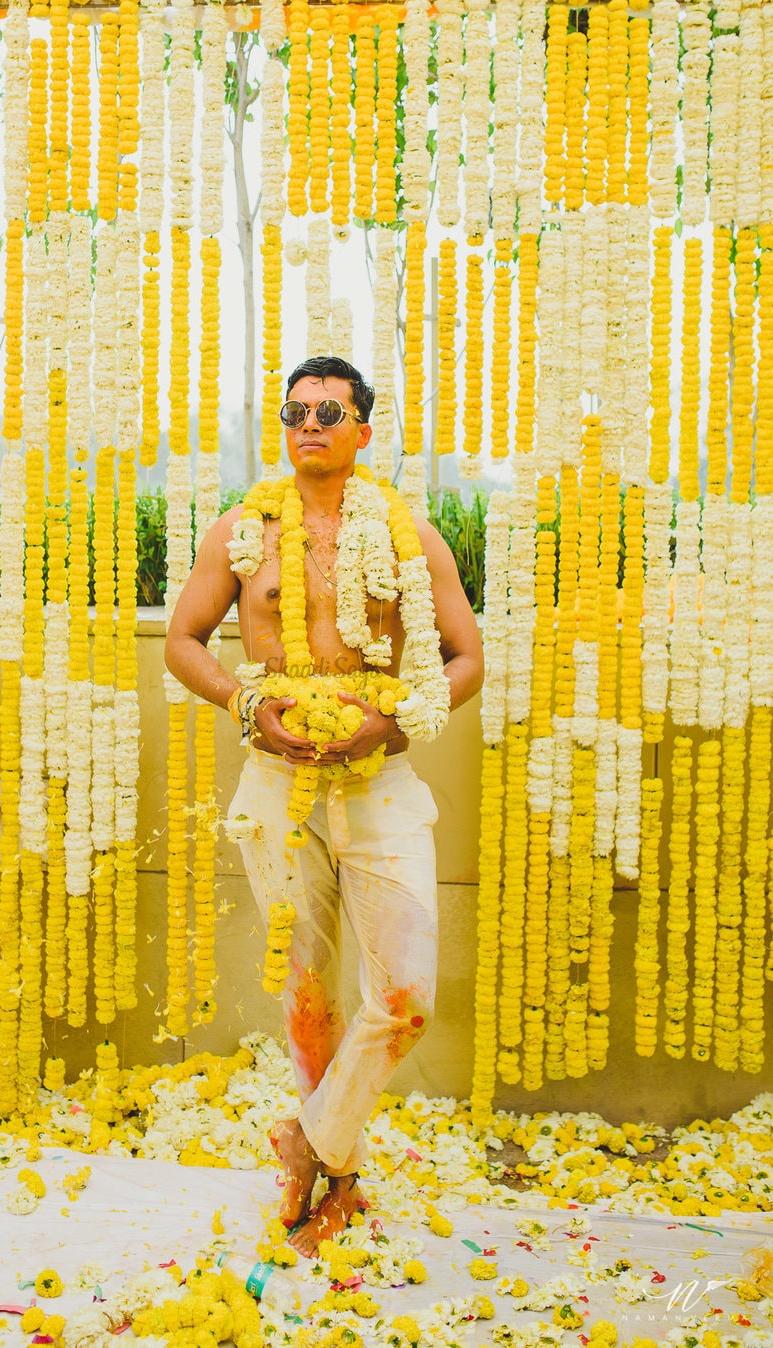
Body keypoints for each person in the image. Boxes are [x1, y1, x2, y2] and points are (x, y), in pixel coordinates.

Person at [165, 355, 483, 1255]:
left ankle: (307, 1139)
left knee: (407, 998)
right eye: (295, 410)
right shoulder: (240, 532)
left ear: (362, 431)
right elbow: (183, 642)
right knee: (309, 998)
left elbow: (466, 658)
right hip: (277, 784)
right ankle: (336, 1183)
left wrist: (394, 722)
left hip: (379, 782)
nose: (310, 424)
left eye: (329, 411)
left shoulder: (409, 536)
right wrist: (241, 702)